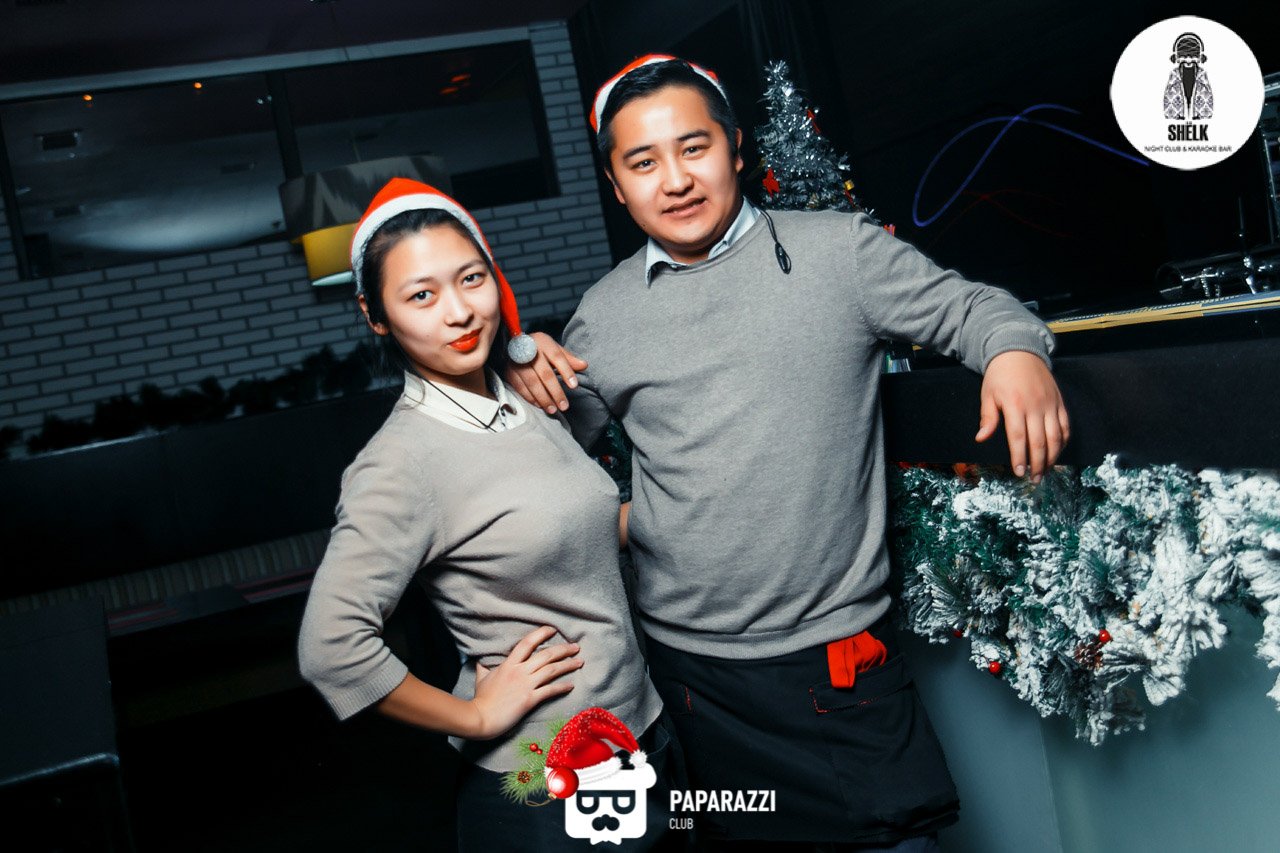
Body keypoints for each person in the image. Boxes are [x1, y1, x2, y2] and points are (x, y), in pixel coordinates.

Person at [508, 56, 1070, 850]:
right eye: (644, 162)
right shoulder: (602, 316)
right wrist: (514, 366)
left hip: (841, 670)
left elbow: (974, 307)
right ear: (616, 184)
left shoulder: (842, 254)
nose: (676, 179)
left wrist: (1014, 352)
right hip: (690, 683)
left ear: (735, 148)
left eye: (694, 147)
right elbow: (543, 470)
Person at [296, 178, 672, 851]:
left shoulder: (523, 402)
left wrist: (527, 350)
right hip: (547, 780)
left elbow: (572, 526)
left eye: (472, 279)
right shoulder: (400, 463)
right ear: (375, 315)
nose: (459, 312)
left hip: (642, 727)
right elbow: (331, 649)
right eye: (421, 295)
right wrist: (474, 716)